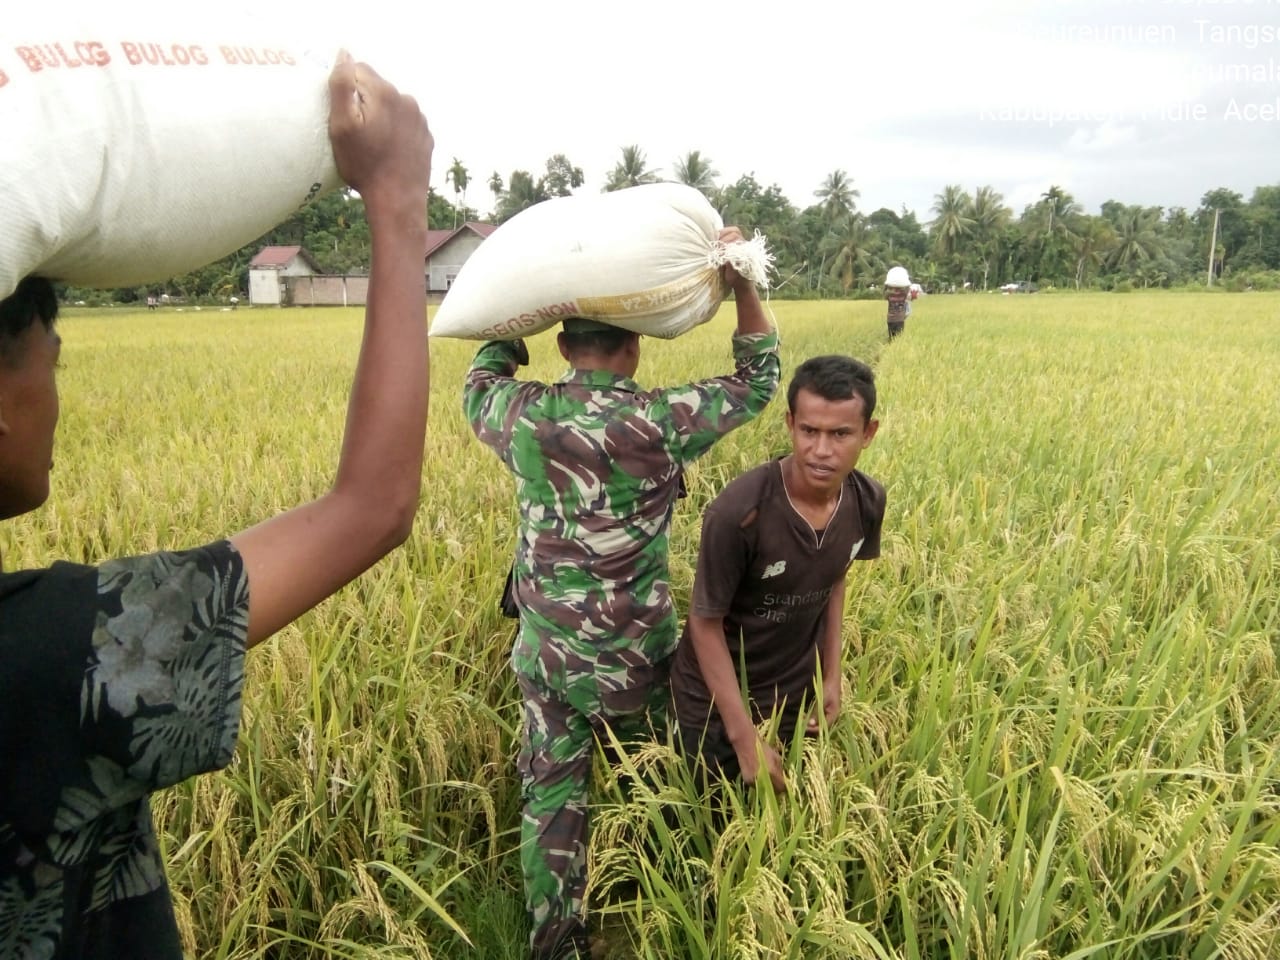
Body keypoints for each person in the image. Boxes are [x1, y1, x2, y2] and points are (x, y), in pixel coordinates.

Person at [0, 54, 432, 958]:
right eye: (52, 362)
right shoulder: (50, 650)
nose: (60, 396)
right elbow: (373, 507)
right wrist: (397, 201)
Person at [463, 236, 780, 960]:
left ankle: (556, 945)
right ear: (634, 348)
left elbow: (480, 375)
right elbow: (759, 379)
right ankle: (679, 904)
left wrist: (514, 322)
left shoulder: (520, 414)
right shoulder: (661, 422)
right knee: (664, 774)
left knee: (552, 797)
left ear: (562, 345)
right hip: (636, 655)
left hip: (546, 654)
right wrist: (742, 282)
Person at [669, 355, 885, 793]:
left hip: (792, 693)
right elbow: (704, 623)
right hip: (714, 701)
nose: (821, 450)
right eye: (809, 431)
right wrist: (742, 736)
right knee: (708, 814)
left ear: (868, 433)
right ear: (790, 425)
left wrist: (830, 676)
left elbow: (835, 576)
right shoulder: (739, 512)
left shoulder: (866, 501)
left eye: (840, 434)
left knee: (779, 814)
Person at [884, 265, 911, 340]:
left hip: (890, 319)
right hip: (900, 319)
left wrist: (886, 285)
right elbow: (908, 291)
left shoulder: (889, 294)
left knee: (891, 338)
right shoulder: (903, 294)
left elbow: (884, 293)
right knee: (898, 339)